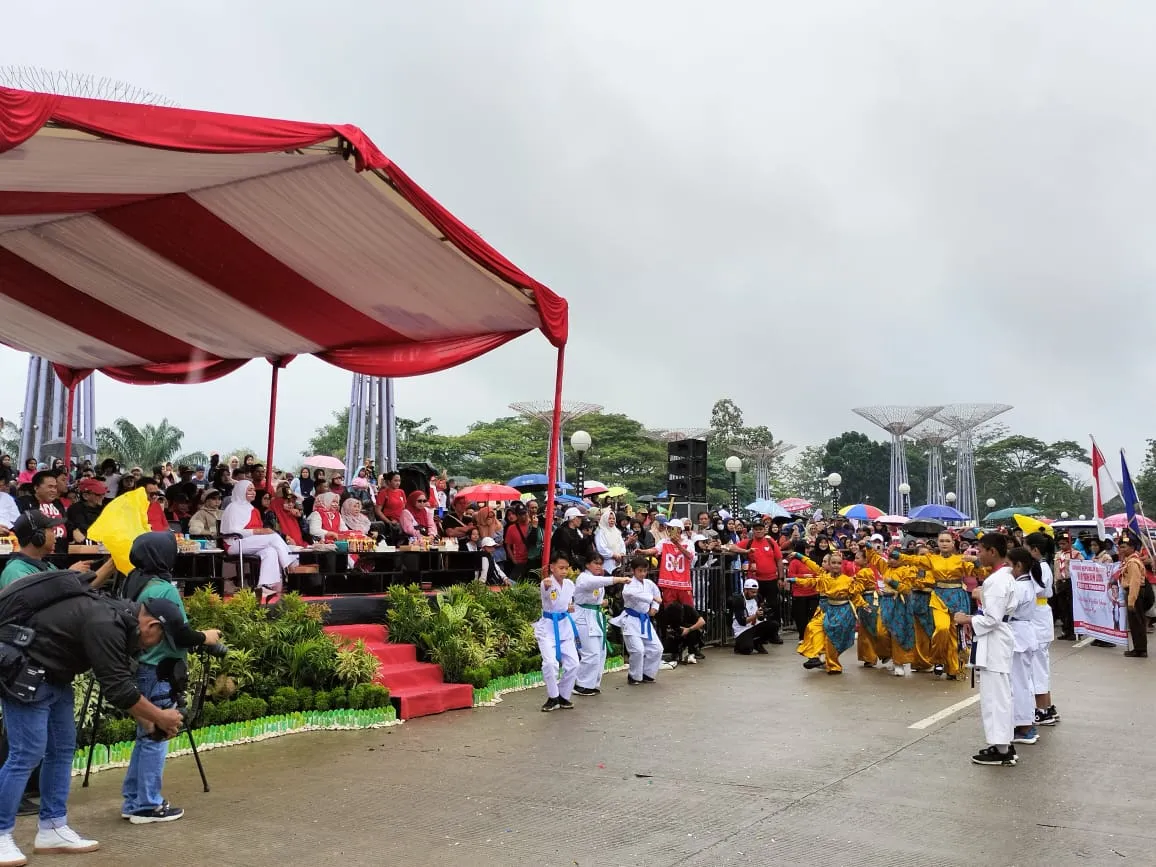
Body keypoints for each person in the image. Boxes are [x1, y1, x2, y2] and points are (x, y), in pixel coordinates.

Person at [0, 568, 187, 863]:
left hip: (54, 676)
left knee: (62, 749)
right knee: (26, 753)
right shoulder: (106, 622)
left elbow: (117, 681)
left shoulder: (118, 620)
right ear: (151, 625)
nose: (154, 647)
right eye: (160, 640)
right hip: (23, 671)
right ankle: (0, 834)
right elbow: (119, 689)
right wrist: (160, 717)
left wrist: (147, 721)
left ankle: (52, 827)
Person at [119, 533, 223, 824]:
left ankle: (133, 799)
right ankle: (147, 805)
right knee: (158, 734)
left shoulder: (132, 581)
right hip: (161, 669)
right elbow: (181, 633)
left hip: (140, 668)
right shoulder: (164, 589)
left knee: (145, 735)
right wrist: (207, 637)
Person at [953, 532, 1017, 766]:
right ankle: (1003, 743)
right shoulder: (999, 578)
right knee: (997, 695)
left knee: (996, 697)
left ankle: (1001, 748)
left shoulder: (998, 580)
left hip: (996, 641)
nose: (977, 555)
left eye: (980, 550)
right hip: (996, 640)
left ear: (992, 551)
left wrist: (966, 619)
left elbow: (992, 619)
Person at [894, 531, 987, 679]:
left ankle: (953, 669)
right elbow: (915, 560)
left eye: (947, 541)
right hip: (938, 597)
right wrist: (898, 556)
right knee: (941, 628)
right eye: (941, 541)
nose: (944, 543)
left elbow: (981, 572)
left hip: (957, 596)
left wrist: (976, 561)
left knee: (954, 633)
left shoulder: (961, 559)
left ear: (953, 543)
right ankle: (938, 659)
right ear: (937, 543)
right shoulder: (932, 559)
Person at [220, 480, 298, 603]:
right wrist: (256, 532)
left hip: (251, 542)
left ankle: (267, 586)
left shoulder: (253, 509)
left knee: (270, 551)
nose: (253, 492)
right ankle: (291, 564)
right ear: (241, 491)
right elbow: (231, 531)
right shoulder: (233, 508)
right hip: (235, 543)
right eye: (249, 490)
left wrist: (259, 532)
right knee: (272, 537)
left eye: (253, 490)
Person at [789, 552, 866, 674]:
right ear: (829, 565)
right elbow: (812, 581)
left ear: (842, 565)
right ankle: (817, 656)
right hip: (828, 609)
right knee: (813, 627)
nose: (836, 565)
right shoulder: (824, 577)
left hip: (843, 611)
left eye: (839, 563)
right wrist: (796, 580)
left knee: (832, 638)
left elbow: (855, 595)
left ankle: (833, 665)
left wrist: (864, 605)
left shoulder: (848, 580)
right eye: (833, 563)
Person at [572, 553, 630, 696]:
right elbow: (595, 583)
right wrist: (618, 579)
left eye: (600, 564)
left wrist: (602, 602)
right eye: (595, 563)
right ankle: (581, 684)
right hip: (582, 618)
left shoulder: (596, 579)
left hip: (595, 617)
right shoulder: (583, 578)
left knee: (600, 653)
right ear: (587, 564)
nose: (599, 566)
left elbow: (597, 591)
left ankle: (592, 683)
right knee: (590, 652)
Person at [1006, 546, 1042, 747]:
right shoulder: (1027, 583)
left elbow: (1006, 608)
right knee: (1023, 681)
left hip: (1018, 633)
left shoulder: (1019, 586)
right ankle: (1025, 723)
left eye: (1008, 565)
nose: (1006, 569)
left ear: (1018, 566)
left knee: (1018, 683)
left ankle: (1025, 726)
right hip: (1023, 631)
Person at [535, 553, 580, 712]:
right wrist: (546, 585)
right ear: (552, 568)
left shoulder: (569, 584)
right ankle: (553, 696)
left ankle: (563, 695)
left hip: (565, 627)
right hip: (547, 628)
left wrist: (570, 606)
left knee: (574, 664)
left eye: (566, 568)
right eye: (560, 568)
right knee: (550, 663)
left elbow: (569, 601)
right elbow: (546, 592)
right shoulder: (546, 582)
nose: (564, 571)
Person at [1024, 532, 1059, 725]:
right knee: (1041, 665)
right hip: (1040, 616)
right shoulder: (1042, 566)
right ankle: (1047, 706)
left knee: (1038, 668)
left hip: (1037, 616)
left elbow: (1033, 591)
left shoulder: (1040, 567)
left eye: (1025, 547)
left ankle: (1042, 710)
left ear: (1035, 550)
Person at [610, 556, 663, 685]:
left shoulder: (649, 584)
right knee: (638, 650)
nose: (643, 574)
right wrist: (652, 599)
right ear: (633, 570)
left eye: (645, 571)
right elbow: (632, 594)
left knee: (657, 648)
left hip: (644, 620)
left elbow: (658, 594)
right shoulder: (629, 584)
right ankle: (634, 676)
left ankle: (647, 673)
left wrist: (654, 608)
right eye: (640, 571)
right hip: (631, 620)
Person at [1118, 530, 1153, 658]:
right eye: (1120, 546)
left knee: (1137, 622)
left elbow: (1134, 583)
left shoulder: (1133, 562)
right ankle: (1139, 648)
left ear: (1132, 548)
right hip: (1135, 593)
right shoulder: (1131, 559)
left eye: (1124, 547)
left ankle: (1140, 649)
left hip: (1135, 594)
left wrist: (1131, 601)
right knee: (1136, 622)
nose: (1121, 549)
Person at [729, 577, 777, 656]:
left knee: (773, 625)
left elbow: (761, 615)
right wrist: (755, 616)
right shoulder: (739, 600)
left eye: (756, 592)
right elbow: (742, 622)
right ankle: (739, 645)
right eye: (752, 592)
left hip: (754, 625)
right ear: (745, 590)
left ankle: (758, 643)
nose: (754, 594)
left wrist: (763, 612)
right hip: (742, 630)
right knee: (746, 650)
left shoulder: (757, 597)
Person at [1052, 533, 1081, 640]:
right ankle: (1066, 630)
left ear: (1069, 543)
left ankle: (1074, 631)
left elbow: (1080, 569)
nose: (1061, 546)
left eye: (1064, 543)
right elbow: (1056, 570)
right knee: (1062, 608)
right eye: (1059, 544)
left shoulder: (1076, 554)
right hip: (1060, 582)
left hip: (1070, 582)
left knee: (1071, 608)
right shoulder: (1058, 555)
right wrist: (1055, 583)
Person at [660, 600, 707, 664]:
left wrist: (688, 629)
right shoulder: (669, 612)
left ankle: (693, 651)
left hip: (691, 631)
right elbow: (666, 628)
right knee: (667, 649)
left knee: (693, 629)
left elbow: (702, 622)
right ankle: (678, 651)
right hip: (677, 633)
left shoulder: (688, 609)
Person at [64, 478, 107, 544]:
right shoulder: (75, 509)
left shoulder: (105, 508)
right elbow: (81, 528)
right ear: (85, 496)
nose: (102, 497)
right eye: (98, 494)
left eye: (103, 494)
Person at [593, 508, 626, 574]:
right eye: (609, 518)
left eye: (613, 519)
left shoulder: (617, 532)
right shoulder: (601, 532)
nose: (612, 520)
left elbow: (622, 545)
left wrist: (621, 554)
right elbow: (601, 548)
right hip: (607, 563)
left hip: (618, 563)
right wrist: (614, 555)